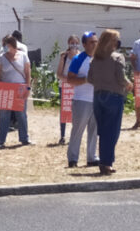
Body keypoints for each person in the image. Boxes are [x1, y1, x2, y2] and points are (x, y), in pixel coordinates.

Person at [88, 29, 133, 175]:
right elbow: (120, 78)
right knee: (112, 131)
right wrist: (129, 84)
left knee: (103, 131)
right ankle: (106, 163)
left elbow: (90, 79)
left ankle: (104, 161)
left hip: (98, 96)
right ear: (112, 42)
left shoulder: (95, 59)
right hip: (114, 97)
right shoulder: (117, 58)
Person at [65, 31, 100, 168]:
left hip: (96, 99)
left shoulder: (100, 59)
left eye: (96, 41)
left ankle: (92, 157)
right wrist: (86, 79)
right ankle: (73, 158)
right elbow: (70, 79)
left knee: (94, 130)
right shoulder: (78, 59)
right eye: (91, 42)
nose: (95, 44)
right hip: (81, 100)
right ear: (84, 44)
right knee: (78, 130)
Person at [0, 35, 32, 148]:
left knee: (21, 115)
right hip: (6, 90)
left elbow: (27, 72)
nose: (4, 47)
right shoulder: (1, 58)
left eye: (6, 45)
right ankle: (1, 140)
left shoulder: (23, 56)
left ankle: (24, 138)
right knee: (4, 116)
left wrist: (28, 88)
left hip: (20, 89)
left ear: (12, 45)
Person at [56, 35, 81, 144]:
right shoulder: (64, 56)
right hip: (64, 87)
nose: (74, 44)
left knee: (76, 112)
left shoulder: (81, 56)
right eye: (72, 42)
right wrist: (66, 79)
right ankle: (62, 135)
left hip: (77, 87)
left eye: (76, 42)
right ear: (68, 43)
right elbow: (59, 74)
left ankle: (75, 135)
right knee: (64, 111)